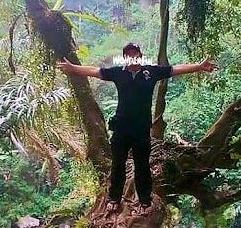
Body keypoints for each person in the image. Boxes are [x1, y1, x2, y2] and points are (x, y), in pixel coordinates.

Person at [58, 44, 216, 216]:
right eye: (129, 54)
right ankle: (114, 199)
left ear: (140, 56)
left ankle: (145, 202)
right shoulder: (118, 73)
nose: (132, 57)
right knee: (118, 165)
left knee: (142, 167)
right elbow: (95, 71)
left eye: (135, 54)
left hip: (141, 130)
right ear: (125, 57)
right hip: (121, 129)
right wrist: (73, 68)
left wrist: (199, 66)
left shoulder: (151, 72)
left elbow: (175, 70)